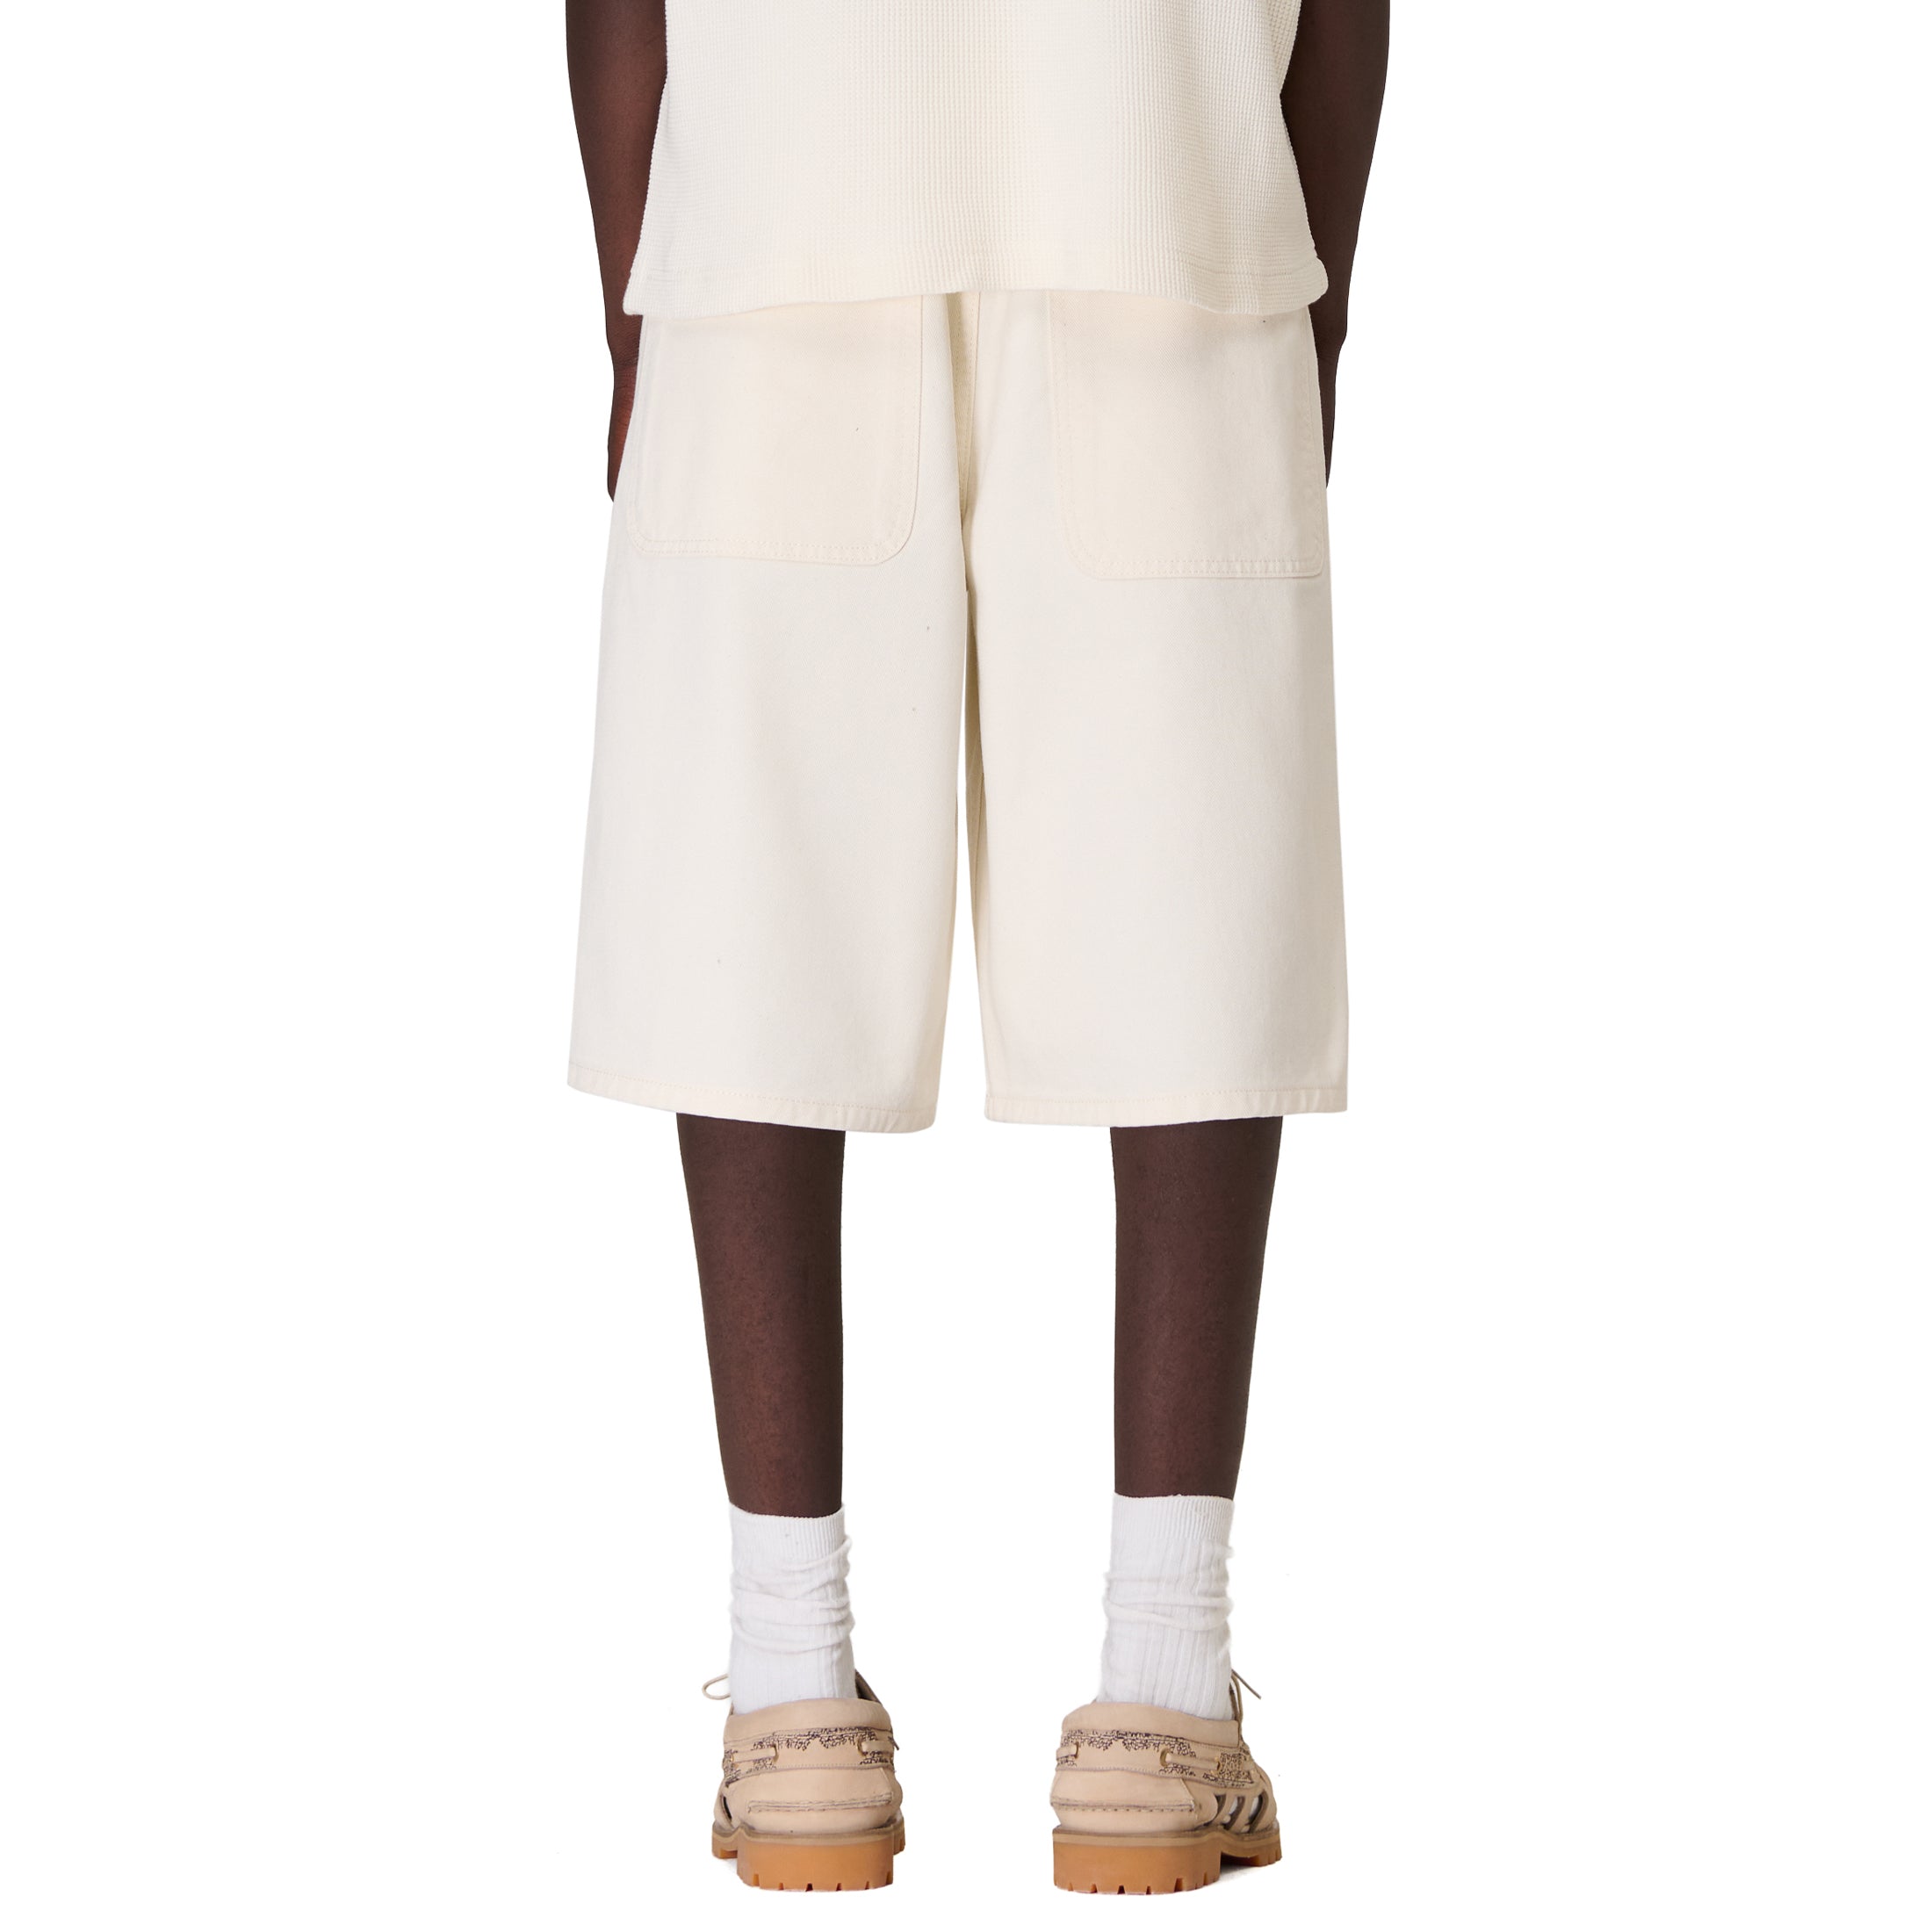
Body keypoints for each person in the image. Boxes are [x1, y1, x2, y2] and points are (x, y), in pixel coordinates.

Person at [564, 0, 1388, 1895]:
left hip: (776, 170)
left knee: (753, 898)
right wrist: (1321, 298)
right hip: (1160, 156)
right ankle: (1160, 1690)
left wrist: (628, 303)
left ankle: (789, 1689)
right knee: (1189, 886)